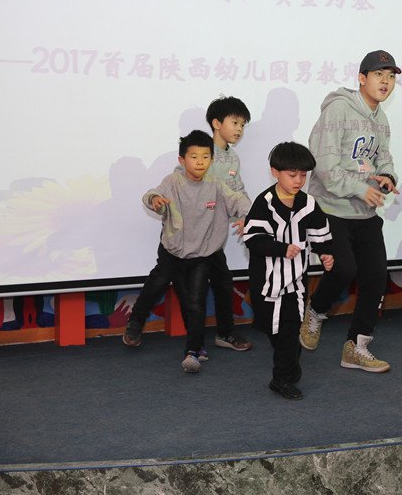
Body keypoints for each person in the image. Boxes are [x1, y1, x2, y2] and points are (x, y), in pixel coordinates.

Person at [124, 96, 254, 352]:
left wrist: (246, 215)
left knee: (223, 284)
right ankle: (136, 322)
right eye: (235, 122)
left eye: (243, 125)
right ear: (216, 123)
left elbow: (237, 193)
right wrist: (159, 201)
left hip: (210, 239)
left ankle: (225, 333)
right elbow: (175, 184)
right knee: (160, 281)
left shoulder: (232, 159)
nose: (239, 129)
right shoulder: (194, 154)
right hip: (180, 238)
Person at [299, 50, 400, 373]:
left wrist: (387, 177)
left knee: (377, 277)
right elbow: (324, 166)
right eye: (379, 75)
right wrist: (360, 188)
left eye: (391, 77)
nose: (385, 82)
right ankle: (316, 311)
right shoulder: (338, 110)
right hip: (331, 208)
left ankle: (357, 346)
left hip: (365, 212)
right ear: (361, 78)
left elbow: (383, 158)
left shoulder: (380, 118)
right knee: (343, 269)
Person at [141, 130, 252, 373]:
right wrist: (155, 199)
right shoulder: (173, 181)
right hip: (178, 252)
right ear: (182, 160)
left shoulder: (216, 183)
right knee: (185, 298)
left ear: (212, 159)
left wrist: (247, 216)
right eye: (194, 157)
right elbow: (151, 194)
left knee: (202, 298)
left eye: (205, 157)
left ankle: (197, 348)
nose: (200, 162)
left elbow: (239, 200)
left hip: (205, 252)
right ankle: (193, 346)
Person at [243, 142, 335, 400]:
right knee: (275, 331)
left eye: (303, 175)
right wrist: (281, 248)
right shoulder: (264, 203)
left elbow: (320, 235)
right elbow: (253, 239)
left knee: (290, 329)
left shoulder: (309, 204)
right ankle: (289, 365)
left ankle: (280, 379)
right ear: (275, 172)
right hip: (267, 283)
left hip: (296, 282)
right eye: (292, 175)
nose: (298, 181)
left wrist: (326, 254)